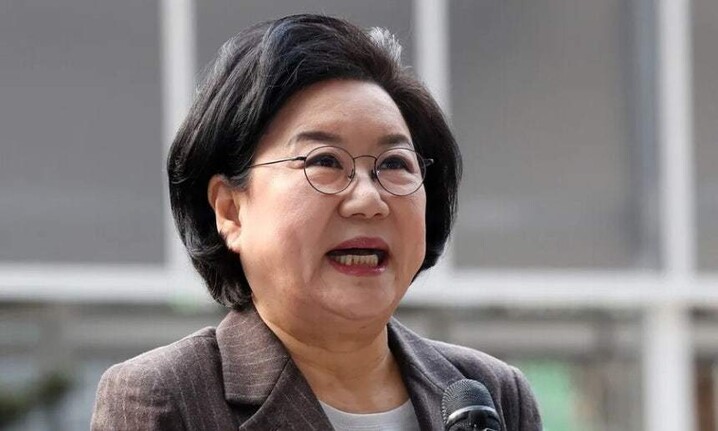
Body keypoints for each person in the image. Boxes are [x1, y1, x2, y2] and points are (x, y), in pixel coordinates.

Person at [91, 14, 542, 431]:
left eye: (394, 164)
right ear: (230, 210)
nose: (369, 200)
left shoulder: (490, 393)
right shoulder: (168, 396)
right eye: (324, 161)